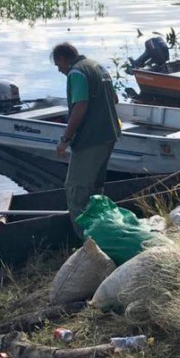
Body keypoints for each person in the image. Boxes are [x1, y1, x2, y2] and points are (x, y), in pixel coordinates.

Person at [52, 42, 121, 239]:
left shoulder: (76, 73)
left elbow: (80, 106)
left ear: (64, 59)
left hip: (91, 140)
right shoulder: (98, 67)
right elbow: (114, 99)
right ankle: (104, 235)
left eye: (58, 65)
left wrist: (65, 139)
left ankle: (87, 245)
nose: (59, 70)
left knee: (76, 191)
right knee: (95, 190)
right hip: (110, 135)